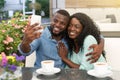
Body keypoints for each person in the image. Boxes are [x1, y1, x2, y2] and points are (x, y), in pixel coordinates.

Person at [18, 9, 104, 68]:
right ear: (51, 19)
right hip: (42, 76)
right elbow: (25, 52)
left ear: (67, 26)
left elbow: (96, 35)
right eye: (55, 21)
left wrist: (100, 45)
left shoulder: (69, 37)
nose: (58, 25)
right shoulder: (40, 34)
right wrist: (25, 42)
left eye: (63, 23)